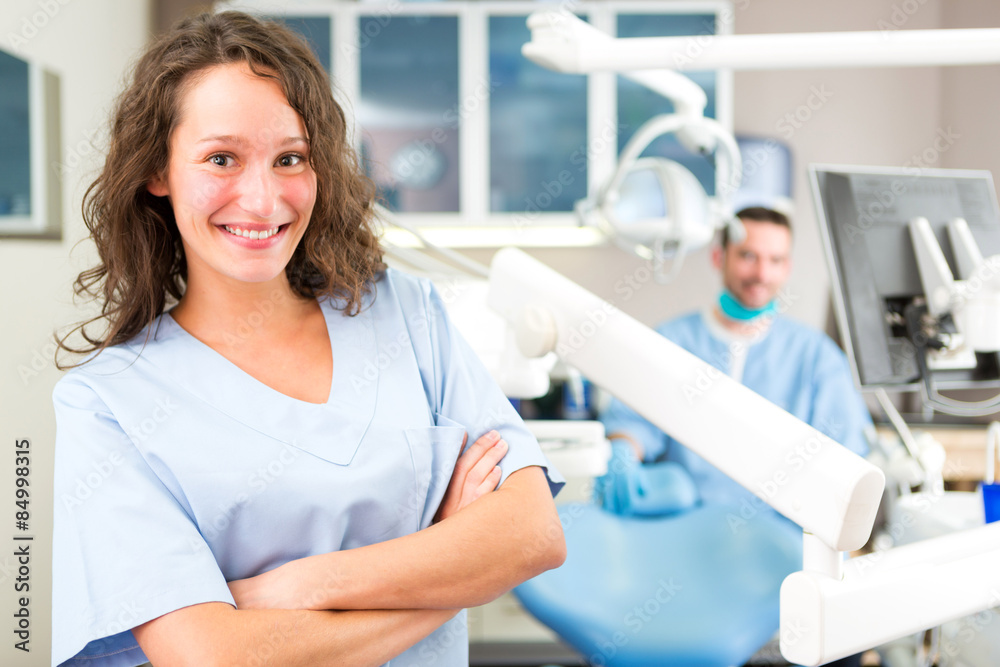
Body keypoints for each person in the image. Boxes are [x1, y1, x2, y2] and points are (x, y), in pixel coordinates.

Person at [51, 11, 565, 667]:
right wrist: (450, 558)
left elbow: (532, 533)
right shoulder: (107, 403)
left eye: (290, 158)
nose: (263, 200)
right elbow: (215, 658)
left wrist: (298, 587)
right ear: (158, 170)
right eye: (220, 158)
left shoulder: (407, 315)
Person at [597, 206, 871, 666]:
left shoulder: (814, 357)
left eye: (776, 260)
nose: (761, 273)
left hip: (781, 556)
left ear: (788, 266)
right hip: (685, 548)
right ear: (718, 256)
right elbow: (636, 422)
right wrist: (624, 453)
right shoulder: (671, 343)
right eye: (748, 256)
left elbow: (846, 458)